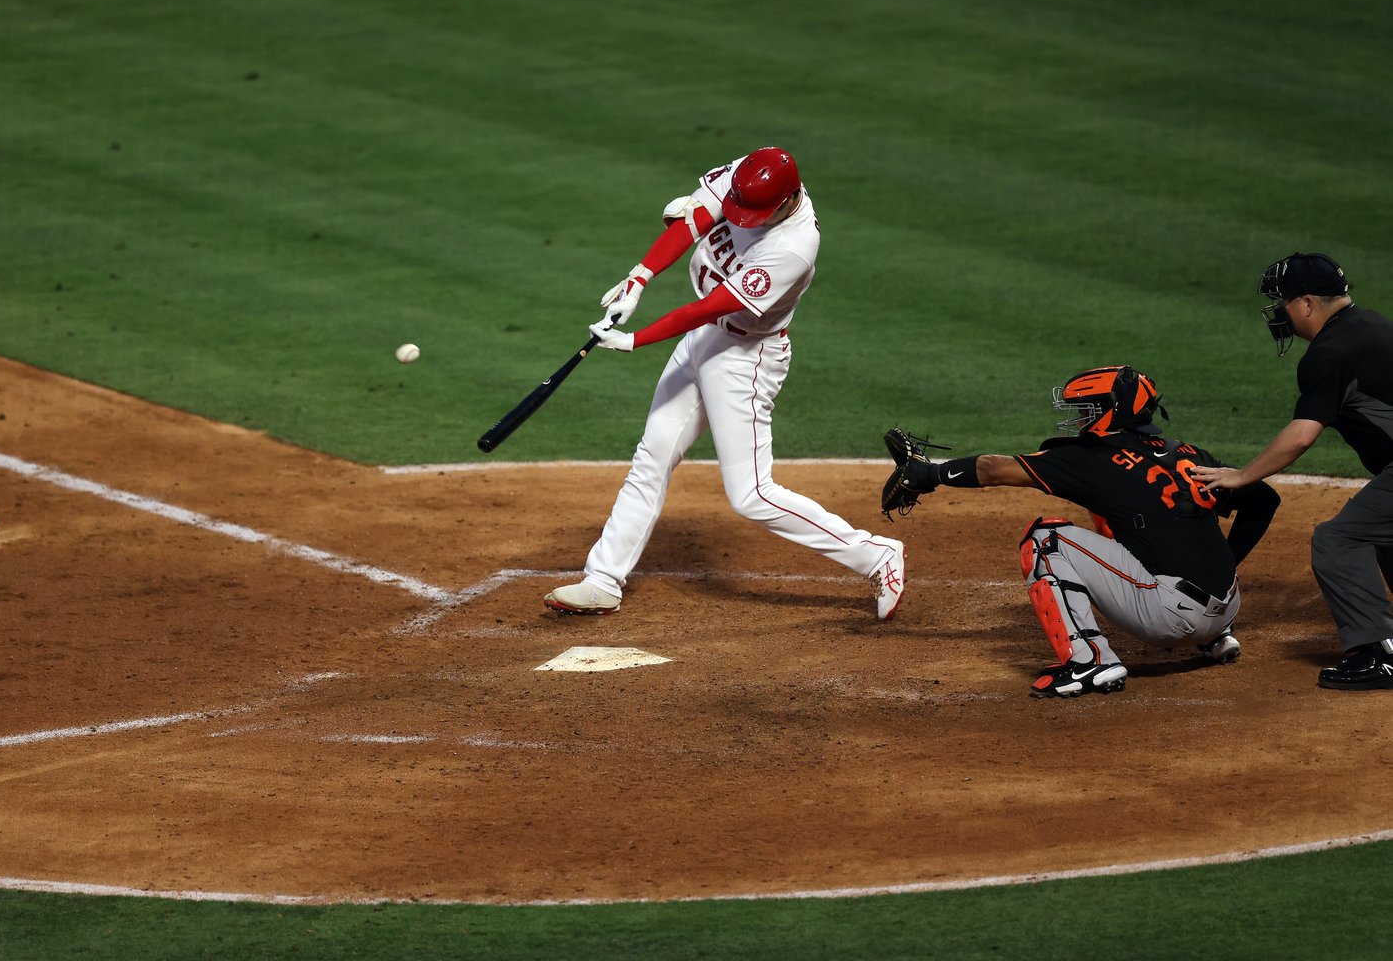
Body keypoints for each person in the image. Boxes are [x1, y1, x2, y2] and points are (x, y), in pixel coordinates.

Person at [542, 147, 906, 619]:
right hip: (701, 341)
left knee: (752, 494)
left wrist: (635, 341)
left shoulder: (793, 249)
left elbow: (710, 307)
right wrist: (639, 279)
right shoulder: (752, 174)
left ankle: (877, 555)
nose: (742, 219)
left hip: (744, 358)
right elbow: (694, 220)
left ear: (785, 202)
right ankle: (603, 581)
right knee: (652, 455)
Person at [888, 365, 1279, 698]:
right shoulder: (1190, 453)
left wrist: (928, 474)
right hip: (1226, 607)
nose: (1079, 417)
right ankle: (1215, 635)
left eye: (1087, 409)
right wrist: (1228, 562)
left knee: (1046, 541)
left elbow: (993, 468)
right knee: (1120, 520)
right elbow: (1264, 501)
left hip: (1171, 619)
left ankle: (1089, 662)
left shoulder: (1092, 459)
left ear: (1110, 412)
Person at [1192, 253, 1393, 691]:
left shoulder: (1330, 352)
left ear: (1305, 303)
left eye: (1281, 302)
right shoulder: (1370, 325)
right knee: (1381, 529)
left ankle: (1380, 654)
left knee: (1339, 539)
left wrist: (1243, 475)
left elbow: (1302, 435)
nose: (1277, 313)